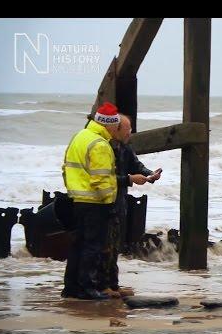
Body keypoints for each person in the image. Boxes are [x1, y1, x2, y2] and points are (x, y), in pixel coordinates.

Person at [61, 102, 124, 300]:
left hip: (78, 200)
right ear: (109, 125)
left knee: (78, 245)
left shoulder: (79, 137)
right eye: (116, 125)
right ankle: (88, 289)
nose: (118, 129)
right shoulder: (99, 145)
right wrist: (109, 202)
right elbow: (100, 179)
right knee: (92, 247)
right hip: (96, 203)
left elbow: (65, 169)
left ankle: (71, 288)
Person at [99, 114, 162, 298]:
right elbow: (103, 180)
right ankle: (103, 287)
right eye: (128, 129)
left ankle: (113, 286)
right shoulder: (103, 148)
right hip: (103, 203)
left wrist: (150, 174)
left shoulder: (125, 147)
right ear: (116, 129)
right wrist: (129, 179)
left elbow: (136, 165)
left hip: (119, 204)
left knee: (114, 246)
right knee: (104, 247)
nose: (131, 132)